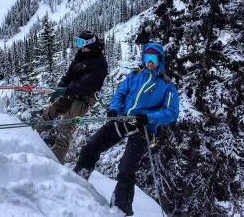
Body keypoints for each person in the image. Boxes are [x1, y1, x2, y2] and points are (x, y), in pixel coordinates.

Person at [73, 42, 179, 216]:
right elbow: (120, 94)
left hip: (143, 128)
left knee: (126, 168)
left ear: (160, 60)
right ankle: (77, 180)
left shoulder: (166, 85)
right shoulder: (134, 76)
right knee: (91, 148)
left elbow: (172, 112)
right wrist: (114, 108)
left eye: (153, 59)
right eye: (147, 58)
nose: (150, 62)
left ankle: (120, 210)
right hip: (122, 119)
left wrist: (149, 118)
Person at [35, 30, 108, 164]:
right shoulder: (82, 53)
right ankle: (33, 138)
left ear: (90, 44)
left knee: (66, 123)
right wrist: (61, 84)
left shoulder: (99, 63)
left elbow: (85, 86)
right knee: (51, 111)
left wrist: (64, 90)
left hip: (86, 97)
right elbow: (70, 73)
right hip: (71, 90)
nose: (79, 46)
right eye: (78, 42)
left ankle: (56, 160)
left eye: (82, 43)